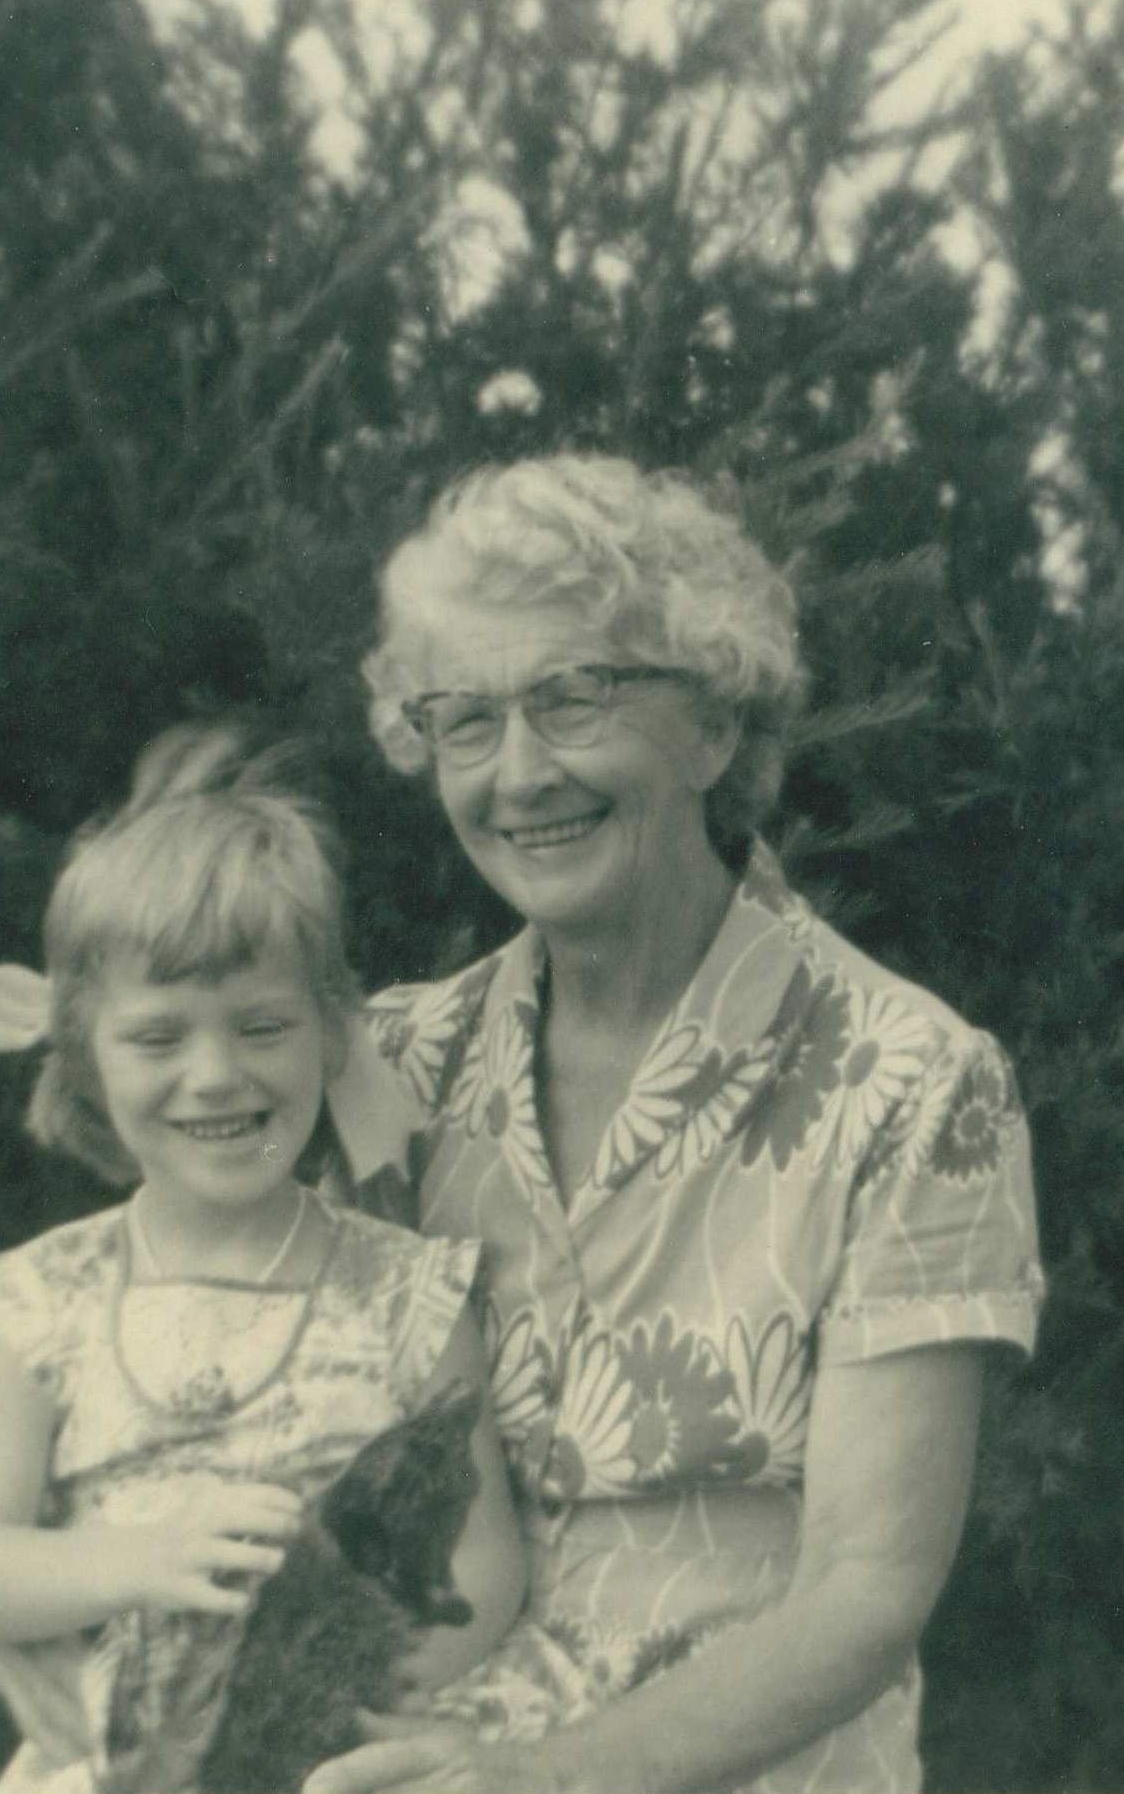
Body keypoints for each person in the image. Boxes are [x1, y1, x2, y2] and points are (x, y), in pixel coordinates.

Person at [312, 456, 1046, 1794]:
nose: (518, 774)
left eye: (572, 697)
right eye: (463, 721)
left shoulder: (909, 1079)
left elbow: (866, 1589)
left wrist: (542, 1779)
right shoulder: (394, 1067)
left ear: (711, 725)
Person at [0, 729, 563, 1794]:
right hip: (121, 1762)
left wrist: (353, 1691)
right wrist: (144, 1559)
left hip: (335, 1751)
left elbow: (485, 1556)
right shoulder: (38, 1301)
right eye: (159, 1038)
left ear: (330, 1031)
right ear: (84, 1054)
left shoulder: (409, 1295)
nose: (216, 1074)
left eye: (262, 1026)